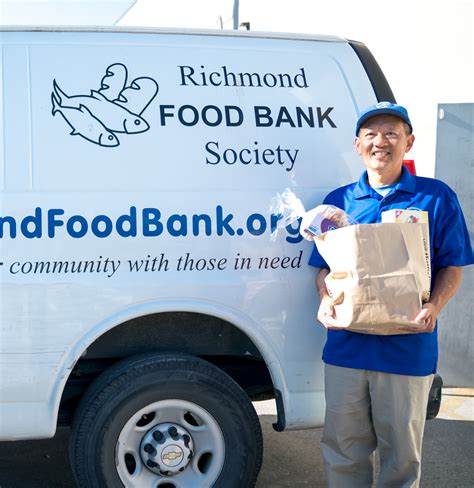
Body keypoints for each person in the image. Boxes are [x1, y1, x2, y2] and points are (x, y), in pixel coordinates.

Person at [308, 101, 473, 487]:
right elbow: (323, 268)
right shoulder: (339, 201)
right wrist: (324, 298)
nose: (380, 142)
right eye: (371, 134)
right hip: (347, 348)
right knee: (343, 450)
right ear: (357, 144)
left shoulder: (435, 197)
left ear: (408, 142)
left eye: (391, 134)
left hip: (407, 349)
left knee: (401, 458)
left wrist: (435, 305)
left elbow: (453, 264)